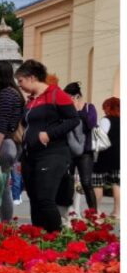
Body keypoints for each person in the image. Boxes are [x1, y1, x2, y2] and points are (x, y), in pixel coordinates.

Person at [15, 59, 79, 232]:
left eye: (20, 81)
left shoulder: (56, 94)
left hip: (52, 154)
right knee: (35, 200)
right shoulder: (31, 100)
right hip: (30, 157)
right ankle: (39, 239)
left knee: (45, 199)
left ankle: (56, 239)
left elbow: (74, 119)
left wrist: (50, 134)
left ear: (32, 77)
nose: (19, 86)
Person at [0, 60, 25, 223]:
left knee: (2, 188)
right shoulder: (14, 93)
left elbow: (4, 124)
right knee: (4, 186)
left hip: (4, 143)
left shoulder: (5, 94)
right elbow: (7, 119)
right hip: (8, 142)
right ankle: (5, 222)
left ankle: (6, 223)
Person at [59, 82, 98, 214]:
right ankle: (67, 213)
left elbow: (91, 124)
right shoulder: (66, 110)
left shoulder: (89, 108)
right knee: (67, 182)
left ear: (76, 97)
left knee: (86, 183)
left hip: (85, 152)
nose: (66, 100)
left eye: (68, 97)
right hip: (68, 151)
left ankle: (93, 213)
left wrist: (77, 111)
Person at [92, 97, 119, 218]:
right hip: (120, 156)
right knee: (117, 184)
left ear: (108, 107)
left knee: (98, 182)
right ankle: (117, 212)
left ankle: (95, 212)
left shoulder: (106, 120)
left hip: (105, 154)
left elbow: (101, 137)